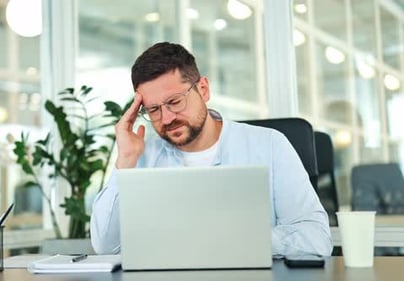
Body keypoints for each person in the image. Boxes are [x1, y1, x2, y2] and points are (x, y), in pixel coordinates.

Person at [90, 42, 333, 257]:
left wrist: (235, 242)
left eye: (174, 102)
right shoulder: (141, 157)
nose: (166, 118)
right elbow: (106, 247)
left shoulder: (270, 145)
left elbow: (316, 239)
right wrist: (126, 161)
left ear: (203, 89)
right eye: (153, 110)